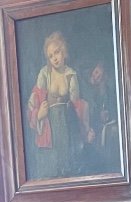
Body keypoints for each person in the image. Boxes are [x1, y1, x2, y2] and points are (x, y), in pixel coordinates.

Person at [27, 31, 92, 179]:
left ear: (63, 52)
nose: (54, 58)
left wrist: (86, 128)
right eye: (50, 56)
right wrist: (38, 114)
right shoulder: (44, 73)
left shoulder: (71, 74)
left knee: (67, 165)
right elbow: (33, 101)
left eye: (56, 52)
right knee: (51, 167)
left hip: (66, 123)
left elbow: (77, 105)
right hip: (48, 122)